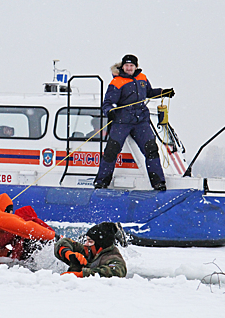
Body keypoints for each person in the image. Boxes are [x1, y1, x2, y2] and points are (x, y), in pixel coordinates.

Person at [93, 54, 174, 190]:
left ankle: (158, 183)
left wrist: (163, 92)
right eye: (126, 66)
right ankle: (101, 182)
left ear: (136, 67)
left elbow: (149, 92)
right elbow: (107, 103)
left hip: (140, 121)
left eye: (131, 66)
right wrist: (110, 111)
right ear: (122, 67)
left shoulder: (142, 78)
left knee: (151, 150)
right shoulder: (117, 82)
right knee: (111, 152)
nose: (129, 68)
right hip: (122, 122)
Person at [54, 222, 128, 278]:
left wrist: (82, 274)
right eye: (86, 240)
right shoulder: (87, 250)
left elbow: (117, 271)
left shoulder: (113, 257)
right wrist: (67, 253)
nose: (86, 244)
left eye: (90, 241)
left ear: (100, 245)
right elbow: (63, 242)